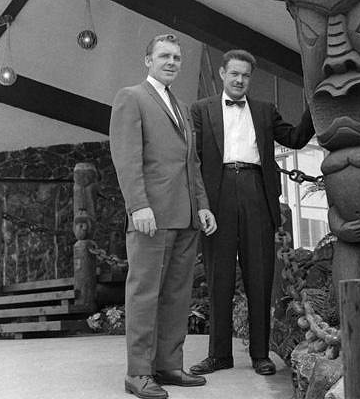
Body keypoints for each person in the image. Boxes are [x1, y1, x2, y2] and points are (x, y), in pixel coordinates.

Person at [190, 49, 314, 376]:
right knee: (219, 277)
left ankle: (261, 354)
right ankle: (219, 355)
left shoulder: (264, 110)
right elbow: (192, 159)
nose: (239, 80)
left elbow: (295, 138)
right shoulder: (201, 109)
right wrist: (200, 204)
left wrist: (315, 106)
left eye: (245, 75)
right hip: (217, 196)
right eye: (234, 73)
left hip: (257, 191)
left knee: (259, 276)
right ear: (222, 73)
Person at [110, 33, 217, 399]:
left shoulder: (182, 107)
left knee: (176, 295)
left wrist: (202, 205)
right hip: (150, 217)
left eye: (176, 57)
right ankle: (138, 373)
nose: (171, 62)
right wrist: (138, 205)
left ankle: (168, 365)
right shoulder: (131, 97)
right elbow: (126, 157)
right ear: (148, 61)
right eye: (164, 56)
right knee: (144, 295)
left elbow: (192, 163)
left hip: (186, 217)